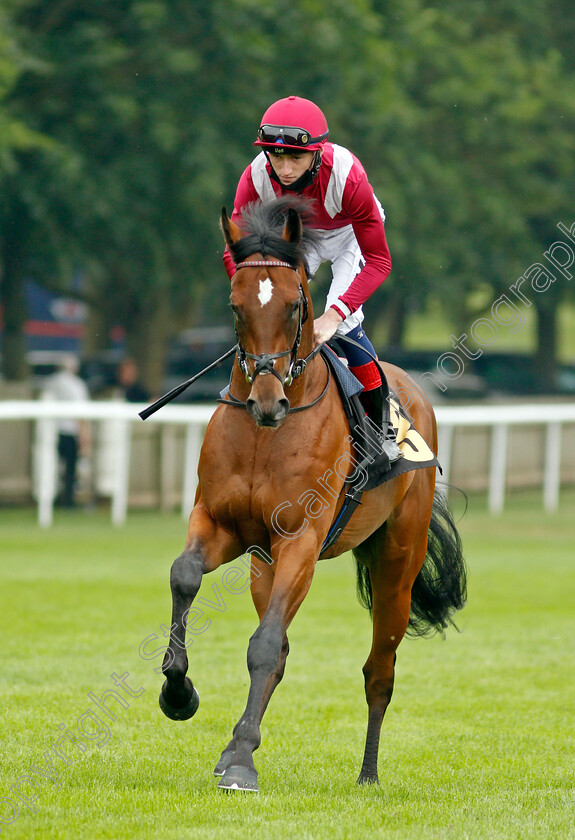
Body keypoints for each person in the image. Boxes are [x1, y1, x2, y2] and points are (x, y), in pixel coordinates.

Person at [223, 94, 402, 462]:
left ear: (317, 153)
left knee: (345, 322)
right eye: (277, 156)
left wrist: (333, 314)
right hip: (300, 236)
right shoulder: (255, 176)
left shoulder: (348, 178)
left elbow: (380, 262)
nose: (285, 169)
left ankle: (382, 429)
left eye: (296, 157)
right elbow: (234, 251)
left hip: (352, 234)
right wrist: (250, 296)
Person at [43, 355, 91, 507]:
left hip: (52, 431)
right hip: (70, 432)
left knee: (52, 466)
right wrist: (84, 435)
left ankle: (52, 498)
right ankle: (68, 501)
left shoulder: (50, 382)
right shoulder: (77, 385)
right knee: (70, 469)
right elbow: (81, 412)